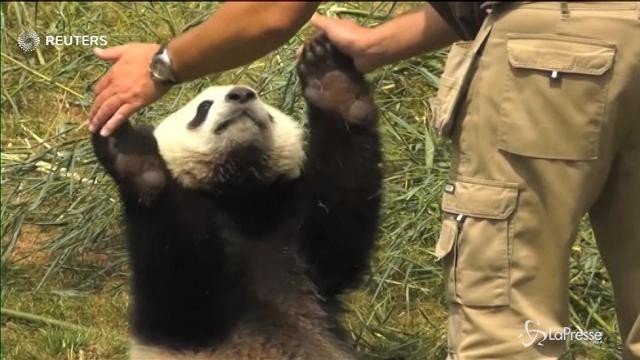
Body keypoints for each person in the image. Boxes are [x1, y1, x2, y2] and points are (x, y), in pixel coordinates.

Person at [88, 2, 640, 359]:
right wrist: (372, 65)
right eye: (204, 113)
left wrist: (164, 63)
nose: (235, 102)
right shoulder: (188, 224)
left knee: (507, 323)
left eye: (249, 101)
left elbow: (272, 11)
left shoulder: (281, 210)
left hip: (554, 50)